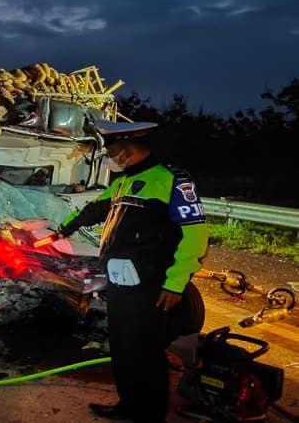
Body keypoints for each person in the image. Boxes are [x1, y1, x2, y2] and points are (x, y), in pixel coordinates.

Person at [54, 121, 208, 422]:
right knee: (124, 347)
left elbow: (196, 235)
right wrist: (63, 229)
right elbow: (95, 209)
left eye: (110, 150)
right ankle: (129, 405)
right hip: (121, 280)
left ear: (126, 148)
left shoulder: (171, 181)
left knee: (147, 351)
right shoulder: (124, 181)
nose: (108, 156)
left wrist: (176, 283)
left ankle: (149, 413)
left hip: (151, 283)